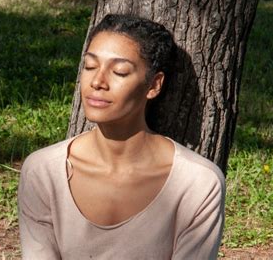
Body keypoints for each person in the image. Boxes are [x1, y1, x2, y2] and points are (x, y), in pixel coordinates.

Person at [18, 14, 225, 260]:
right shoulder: (43, 172)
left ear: (154, 85)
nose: (97, 81)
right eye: (90, 66)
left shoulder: (197, 183)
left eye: (120, 71)